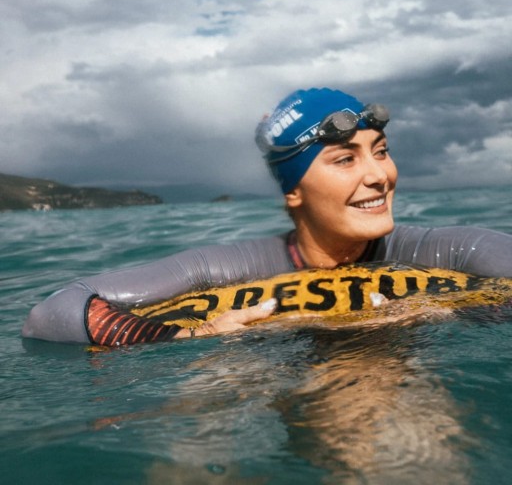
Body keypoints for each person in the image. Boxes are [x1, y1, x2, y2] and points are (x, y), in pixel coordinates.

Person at [22, 88, 512, 345]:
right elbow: (52, 315)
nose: (379, 175)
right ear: (294, 191)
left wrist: (463, 312)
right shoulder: (227, 267)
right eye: (345, 159)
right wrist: (189, 335)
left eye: (380, 151)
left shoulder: (449, 250)